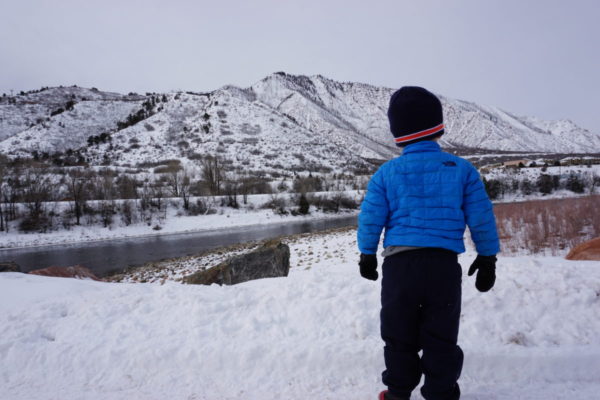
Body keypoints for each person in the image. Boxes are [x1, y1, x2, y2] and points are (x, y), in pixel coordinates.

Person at [357, 86, 500, 400]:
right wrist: (488, 257)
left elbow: (371, 217)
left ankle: (397, 393)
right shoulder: (461, 170)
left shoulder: (385, 173)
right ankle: (441, 392)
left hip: (399, 267)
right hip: (442, 267)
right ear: (438, 126)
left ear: (398, 132)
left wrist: (367, 254)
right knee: (441, 335)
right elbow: (481, 217)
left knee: (398, 333)